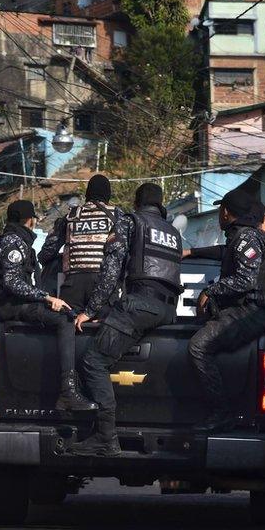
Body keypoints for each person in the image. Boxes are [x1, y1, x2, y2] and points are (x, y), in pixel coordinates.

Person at [69, 183, 183, 457]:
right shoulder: (172, 232)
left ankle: (105, 438)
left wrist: (91, 309)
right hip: (168, 310)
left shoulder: (130, 222)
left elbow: (111, 270)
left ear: (136, 202)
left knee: (93, 361)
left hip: (140, 304)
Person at [0, 200, 96, 411]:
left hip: (15, 303)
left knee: (65, 312)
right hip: (9, 306)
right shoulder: (13, 242)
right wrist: (47, 298)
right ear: (29, 219)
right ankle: (68, 391)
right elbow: (12, 282)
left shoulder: (17, 240)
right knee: (64, 320)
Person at [184, 188, 265, 433]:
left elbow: (246, 280)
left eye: (220, 211)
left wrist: (210, 291)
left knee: (198, 346)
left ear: (225, 212)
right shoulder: (241, 238)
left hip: (250, 311)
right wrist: (192, 252)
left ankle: (222, 412)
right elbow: (225, 253)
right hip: (249, 311)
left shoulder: (246, 239)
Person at [38, 174, 124, 311]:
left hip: (72, 284)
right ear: (108, 194)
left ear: (88, 193)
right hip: (103, 284)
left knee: (68, 325)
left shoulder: (70, 216)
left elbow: (47, 252)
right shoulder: (116, 215)